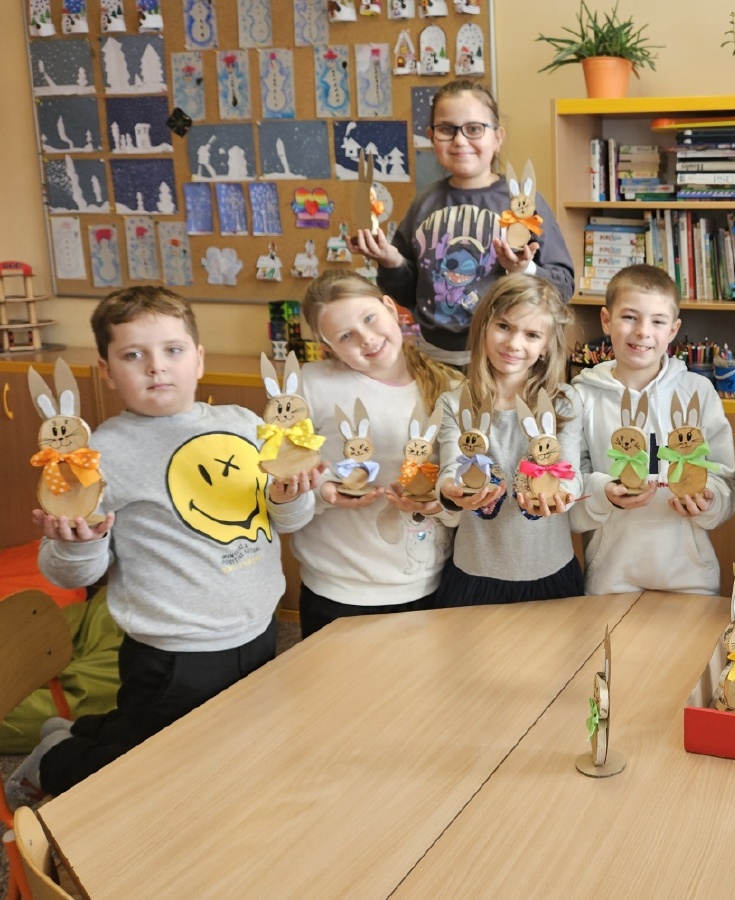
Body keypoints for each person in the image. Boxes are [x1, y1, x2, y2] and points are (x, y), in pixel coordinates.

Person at [5, 287, 317, 807]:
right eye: (133, 355)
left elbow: (286, 519)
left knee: (223, 738)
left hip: (258, 628)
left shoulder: (246, 425)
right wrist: (81, 544)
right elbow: (71, 574)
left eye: (173, 349)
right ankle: (56, 761)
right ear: (107, 370)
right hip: (173, 650)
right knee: (162, 764)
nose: (156, 367)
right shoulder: (97, 456)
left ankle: (81, 731)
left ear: (199, 359)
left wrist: (291, 497)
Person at [350, 79, 574, 368]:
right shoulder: (424, 203)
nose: (459, 140)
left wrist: (524, 270)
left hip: (506, 362)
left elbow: (563, 286)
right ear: (431, 137)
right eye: (447, 129)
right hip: (435, 359)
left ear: (497, 137)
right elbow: (407, 293)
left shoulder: (523, 202)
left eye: (474, 129)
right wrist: (390, 260)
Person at [293, 270, 465, 638]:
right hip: (337, 586)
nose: (367, 339)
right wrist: (323, 491)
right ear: (327, 346)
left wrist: (441, 504)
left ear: (390, 307)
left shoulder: (451, 387)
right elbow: (283, 476)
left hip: (425, 581)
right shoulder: (313, 383)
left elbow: (463, 492)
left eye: (369, 318)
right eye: (345, 336)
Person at [570, 265, 735, 595]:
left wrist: (709, 500)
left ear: (674, 329)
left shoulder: (698, 391)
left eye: (658, 321)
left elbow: (726, 480)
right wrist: (604, 494)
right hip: (609, 580)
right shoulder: (581, 396)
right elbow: (570, 492)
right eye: (629, 317)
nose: (643, 331)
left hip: (691, 579)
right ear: (606, 320)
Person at [434, 273, 584, 604]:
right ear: (483, 327)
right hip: (474, 572)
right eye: (504, 326)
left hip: (550, 571)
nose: (514, 344)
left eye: (532, 335)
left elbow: (570, 474)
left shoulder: (564, 402)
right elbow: (449, 469)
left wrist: (562, 495)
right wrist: (450, 490)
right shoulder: (454, 403)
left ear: (546, 346)